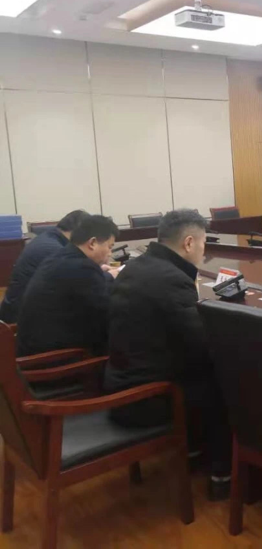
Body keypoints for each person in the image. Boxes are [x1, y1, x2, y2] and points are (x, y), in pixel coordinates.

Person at [104, 209, 232, 500]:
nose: (204, 251)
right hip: (145, 399)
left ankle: (194, 452)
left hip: (120, 381)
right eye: (203, 243)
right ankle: (223, 475)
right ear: (189, 243)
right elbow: (201, 344)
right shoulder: (172, 279)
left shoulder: (136, 266)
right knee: (225, 380)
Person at [16, 215, 119, 357]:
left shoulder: (62, 256)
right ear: (92, 243)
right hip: (51, 360)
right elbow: (107, 313)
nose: (110, 253)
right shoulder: (82, 267)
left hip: (33, 347)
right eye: (109, 247)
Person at [0, 209, 90, 324]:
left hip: (22, 310)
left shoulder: (49, 238)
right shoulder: (54, 249)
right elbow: (79, 283)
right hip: (20, 320)